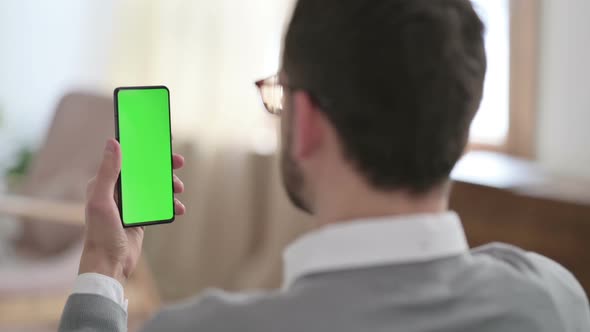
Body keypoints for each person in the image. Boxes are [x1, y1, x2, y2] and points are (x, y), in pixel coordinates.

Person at [59, 0, 590, 331]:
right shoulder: (556, 300)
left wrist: (103, 266)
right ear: (461, 116)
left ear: (307, 118)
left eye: (280, 95)